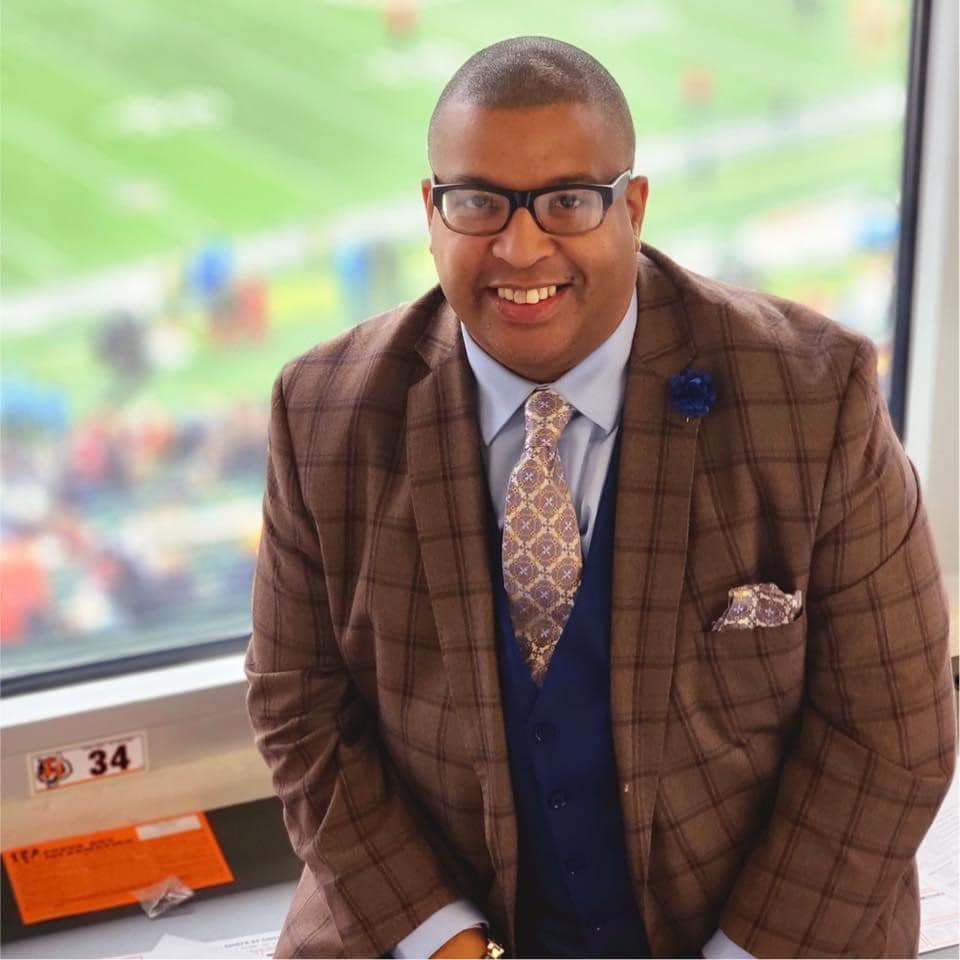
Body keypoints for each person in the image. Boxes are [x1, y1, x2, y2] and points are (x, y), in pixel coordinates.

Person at [245, 37, 956, 959]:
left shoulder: (815, 393)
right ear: (432, 213)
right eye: (478, 202)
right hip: (434, 934)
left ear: (635, 206)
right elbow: (298, 708)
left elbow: (892, 737)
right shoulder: (323, 410)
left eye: (569, 201)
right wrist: (445, 944)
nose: (520, 244)